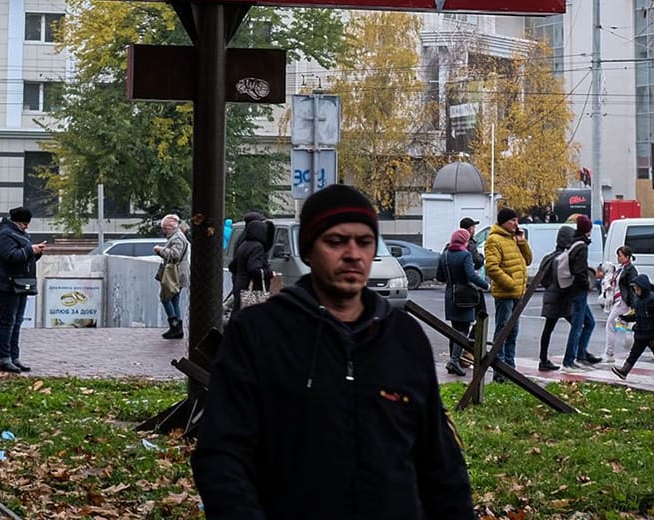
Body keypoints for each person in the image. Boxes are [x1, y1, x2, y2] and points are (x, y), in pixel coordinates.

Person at [192, 183, 474, 518]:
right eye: (336, 242)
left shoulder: (404, 337)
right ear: (309, 250)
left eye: (365, 242)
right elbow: (222, 455)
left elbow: (440, 462)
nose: (353, 254)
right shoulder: (259, 334)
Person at [0, 206, 44, 373]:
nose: (26, 226)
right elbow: (11, 257)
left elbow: (24, 257)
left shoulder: (20, 234)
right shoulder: (5, 234)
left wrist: (36, 252)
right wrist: (30, 249)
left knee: (17, 322)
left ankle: (14, 357)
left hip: (20, 283)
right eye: (24, 223)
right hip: (7, 284)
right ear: (17, 221)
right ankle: (4, 359)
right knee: (8, 322)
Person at [483, 207, 533, 371]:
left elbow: (528, 260)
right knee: (503, 330)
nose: (516, 223)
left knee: (513, 331)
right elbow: (492, 267)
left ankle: (510, 366)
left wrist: (522, 242)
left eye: (517, 220)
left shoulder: (513, 239)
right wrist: (510, 283)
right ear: (504, 222)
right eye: (512, 220)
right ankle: (500, 368)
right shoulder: (494, 240)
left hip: (517, 294)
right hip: (505, 294)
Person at [439, 227, 488, 376]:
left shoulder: (445, 255)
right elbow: (471, 276)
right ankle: (454, 360)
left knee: (455, 329)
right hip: (464, 296)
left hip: (450, 295)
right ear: (464, 241)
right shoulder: (465, 255)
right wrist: (486, 285)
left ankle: (454, 360)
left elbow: (440, 277)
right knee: (464, 330)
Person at [611, 275, 654, 380]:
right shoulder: (637, 300)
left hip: (651, 333)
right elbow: (636, 315)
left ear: (643, 288)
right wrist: (625, 318)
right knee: (634, 353)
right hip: (640, 332)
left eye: (637, 288)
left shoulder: (652, 299)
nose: (636, 290)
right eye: (634, 288)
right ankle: (624, 371)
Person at [561, 215, 599, 370]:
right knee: (578, 326)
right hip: (578, 291)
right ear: (588, 230)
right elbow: (580, 271)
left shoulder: (574, 243)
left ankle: (581, 355)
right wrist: (587, 285)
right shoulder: (582, 246)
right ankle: (569, 360)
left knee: (589, 322)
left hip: (572, 290)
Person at [535, 225, 575, 372]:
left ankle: (543, 359)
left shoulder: (549, 257)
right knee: (579, 326)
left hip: (551, 296)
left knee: (548, 329)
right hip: (561, 298)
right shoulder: (562, 258)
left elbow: (542, 278)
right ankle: (573, 357)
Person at [228, 212, 275, 318]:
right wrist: (269, 273)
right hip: (250, 287)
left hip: (240, 284)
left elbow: (233, 265)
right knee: (250, 317)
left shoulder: (243, 243)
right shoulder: (257, 246)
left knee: (238, 313)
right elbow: (254, 269)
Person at [155, 213, 190, 340]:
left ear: (170, 227)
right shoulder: (179, 236)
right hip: (178, 273)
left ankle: (175, 326)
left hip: (175, 274)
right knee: (174, 299)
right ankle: (177, 328)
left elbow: (175, 255)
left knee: (165, 298)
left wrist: (160, 250)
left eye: (164, 228)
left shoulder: (177, 238)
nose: (163, 231)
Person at [599, 245, 633, 363]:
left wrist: (631, 303)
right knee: (623, 326)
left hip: (623, 302)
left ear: (627, 257)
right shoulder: (621, 268)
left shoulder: (630, 270)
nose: (618, 258)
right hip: (619, 301)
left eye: (620, 256)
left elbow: (632, 287)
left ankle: (609, 353)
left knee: (610, 324)